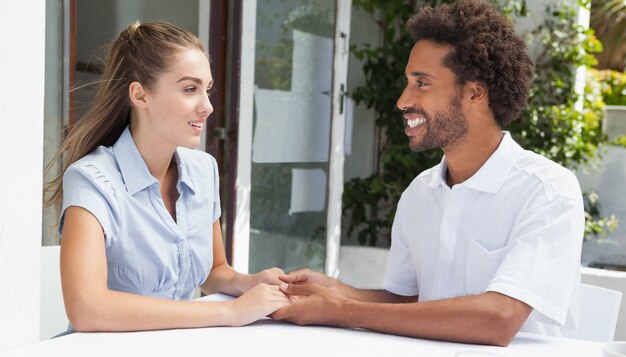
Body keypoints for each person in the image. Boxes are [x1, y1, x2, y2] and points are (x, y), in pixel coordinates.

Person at [273, 0, 584, 347]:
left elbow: (499, 319)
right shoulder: (420, 192)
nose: (403, 100)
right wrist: (335, 290)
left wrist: (343, 310)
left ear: (475, 93)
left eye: (421, 83)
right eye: (408, 82)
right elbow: (407, 303)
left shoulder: (547, 191)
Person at [44, 21, 290, 332]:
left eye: (207, 90)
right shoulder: (92, 180)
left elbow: (213, 270)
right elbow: (87, 308)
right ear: (140, 95)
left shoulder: (203, 171)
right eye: (190, 89)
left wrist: (248, 282)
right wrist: (231, 313)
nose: (208, 106)